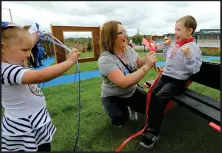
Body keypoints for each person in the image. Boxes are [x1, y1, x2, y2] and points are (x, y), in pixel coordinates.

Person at [1, 21, 80, 152]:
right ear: (2, 47)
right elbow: (40, 76)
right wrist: (69, 61)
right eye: (25, 50)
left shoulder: (12, 60)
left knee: (44, 147)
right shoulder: (5, 71)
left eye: (29, 49)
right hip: (23, 129)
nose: (28, 54)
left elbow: (19, 46)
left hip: (35, 121)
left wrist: (33, 38)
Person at [140, 15, 202, 149]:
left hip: (177, 81)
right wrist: (167, 48)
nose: (175, 32)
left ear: (190, 31)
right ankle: (150, 124)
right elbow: (168, 59)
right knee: (153, 95)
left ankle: (152, 133)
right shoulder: (176, 45)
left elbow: (194, 70)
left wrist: (188, 56)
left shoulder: (193, 48)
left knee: (159, 98)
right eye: (175, 29)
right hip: (165, 76)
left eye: (179, 30)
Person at [98, 20, 156, 127]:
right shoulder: (105, 59)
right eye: (121, 33)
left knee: (151, 107)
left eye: (125, 32)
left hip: (131, 91)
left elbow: (139, 63)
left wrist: (148, 58)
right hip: (113, 96)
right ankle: (117, 109)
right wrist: (147, 66)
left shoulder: (129, 49)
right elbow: (123, 83)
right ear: (110, 37)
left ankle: (131, 106)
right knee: (120, 120)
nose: (126, 35)